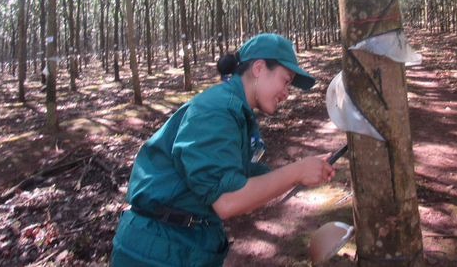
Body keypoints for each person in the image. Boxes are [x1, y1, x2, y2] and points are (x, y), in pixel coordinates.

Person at [111, 33, 336, 267]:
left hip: (187, 244)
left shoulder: (236, 111)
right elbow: (227, 201)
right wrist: (296, 172)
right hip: (156, 249)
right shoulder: (217, 110)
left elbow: (241, 184)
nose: (287, 92)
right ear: (258, 68)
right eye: (286, 80)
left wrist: (306, 169)